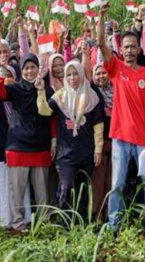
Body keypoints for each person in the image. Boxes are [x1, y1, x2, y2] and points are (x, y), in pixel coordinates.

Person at [96, 4, 145, 232]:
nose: (130, 50)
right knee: (118, 184)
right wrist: (101, 16)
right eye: (126, 47)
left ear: (139, 49)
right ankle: (114, 225)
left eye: (133, 46)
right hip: (120, 139)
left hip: (144, 139)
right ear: (121, 50)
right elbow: (102, 44)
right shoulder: (116, 68)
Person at [0, 53, 53, 231]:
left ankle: (45, 222)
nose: (29, 71)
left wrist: (54, 142)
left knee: (42, 191)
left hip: (41, 145)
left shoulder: (46, 88)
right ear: (21, 70)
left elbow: (51, 116)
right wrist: (1, 71)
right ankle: (18, 223)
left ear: (38, 69)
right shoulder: (15, 88)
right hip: (18, 146)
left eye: (32, 67)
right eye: (26, 68)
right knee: (16, 191)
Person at [36, 61, 104, 210]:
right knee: (66, 188)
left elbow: (98, 124)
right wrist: (41, 91)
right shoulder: (60, 96)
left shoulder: (92, 97)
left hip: (86, 153)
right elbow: (44, 111)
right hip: (65, 155)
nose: (72, 78)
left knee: (83, 189)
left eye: (75, 74)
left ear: (81, 74)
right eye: (69, 75)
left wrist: (98, 149)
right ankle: (66, 224)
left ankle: (83, 225)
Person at [91, 64, 113, 220]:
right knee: (98, 182)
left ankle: (110, 213)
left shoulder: (117, 92)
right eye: (97, 73)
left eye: (103, 73)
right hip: (99, 144)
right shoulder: (92, 93)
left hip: (116, 143)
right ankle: (97, 216)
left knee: (112, 181)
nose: (100, 76)